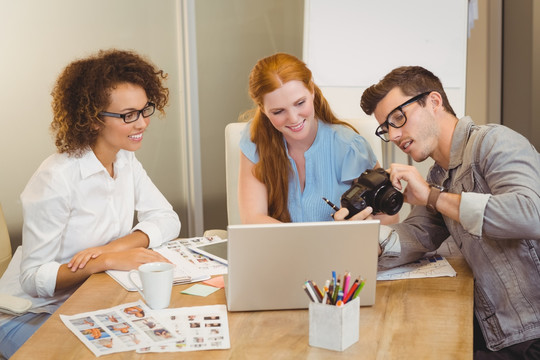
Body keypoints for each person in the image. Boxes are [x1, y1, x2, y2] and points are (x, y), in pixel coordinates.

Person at [336, 65, 540, 359]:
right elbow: (417, 235)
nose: (393, 134)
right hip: (496, 331)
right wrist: (365, 236)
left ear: (434, 102)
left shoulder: (494, 142)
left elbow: (530, 213)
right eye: (386, 127)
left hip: (530, 335)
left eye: (398, 118)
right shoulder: (437, 175)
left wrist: (433, 196)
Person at [0, 49, 181, 358]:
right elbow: (32, 279)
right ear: (94, 120)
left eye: (144, 109)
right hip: (26, 314)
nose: (142, 124)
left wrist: (115, 248)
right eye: (128, 115)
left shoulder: (126, 160)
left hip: (86, 303)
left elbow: (167, 218)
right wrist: (105, 262)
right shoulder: (57, 179)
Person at [238, 52, 397, 225]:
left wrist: (359, 226)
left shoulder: (348, 145)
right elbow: (252, 218)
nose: (293, 118)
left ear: (312, 91)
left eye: (300, 103)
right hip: (281, 249)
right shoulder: (255, 140)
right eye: (278, 111)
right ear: (262, 109)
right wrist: (308, 244)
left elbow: (389, 216)